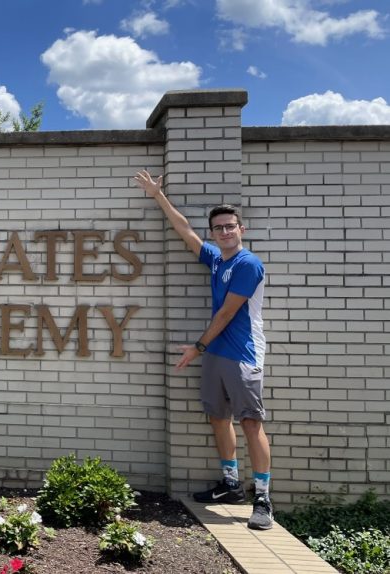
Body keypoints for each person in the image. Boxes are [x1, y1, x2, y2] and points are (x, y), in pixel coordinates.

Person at [134, 170, 273, 530]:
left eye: (231, 226)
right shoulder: (216, 260)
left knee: (250, 421)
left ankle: (262, 497)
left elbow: (228, 312)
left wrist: (197, 347)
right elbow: (186, 232)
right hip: (215, 354)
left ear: (242, 229)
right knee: (217, 416)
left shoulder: (247, 264)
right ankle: (230, 484)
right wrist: (158, 197)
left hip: (242, 353)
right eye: (219, 228)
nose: (225, 232)